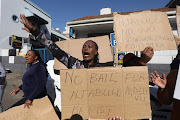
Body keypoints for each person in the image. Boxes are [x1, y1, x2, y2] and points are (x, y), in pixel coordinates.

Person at [20, 14, 153, 69]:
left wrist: (142, 61)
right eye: (83, 47)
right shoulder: (75, 65)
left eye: (89, 47)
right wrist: (34, 30)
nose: (85, 49)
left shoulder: (106, 68)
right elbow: (53, 48)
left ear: (96, 52)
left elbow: (127, 75)